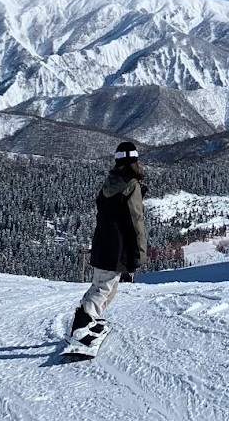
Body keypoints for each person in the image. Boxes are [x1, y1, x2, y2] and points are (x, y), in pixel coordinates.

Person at [69, 141, 148, 342]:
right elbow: (135, 220)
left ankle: (87, 319)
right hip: (116, 246)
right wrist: (139, 253)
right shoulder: (131, 186)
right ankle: (81, 327)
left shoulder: (110, 182)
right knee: (104, 288)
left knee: (104, 286)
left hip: (102, 241)